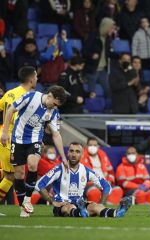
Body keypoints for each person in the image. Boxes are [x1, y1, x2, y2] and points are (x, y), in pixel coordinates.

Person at [0, 85, 68, 217]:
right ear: (49, 95)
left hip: (35, 140)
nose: (53, 107)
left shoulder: (53, 112)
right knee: (18, 174)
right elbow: (10, 110)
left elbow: (56, 134)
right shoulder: (30, 96)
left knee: (32, 164)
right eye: (53, 103)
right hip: (17, 139)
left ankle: (27, 199)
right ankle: (23, 207)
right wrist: (4, 133)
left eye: (56, 106)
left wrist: (63, 157)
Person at [35, 142, 132, 218]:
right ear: (67, 153)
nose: (74, 154)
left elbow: (106, 186)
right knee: (68, 207)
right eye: (71, 151)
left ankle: (117, 213)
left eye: (77, 152)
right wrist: (52, 201)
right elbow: (39, 185)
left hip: (80, 203)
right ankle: (81, 212)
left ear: (82, 154)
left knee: (95, 206)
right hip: (62, 205)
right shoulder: (59, 169)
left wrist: (101, 203)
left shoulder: (86, 171)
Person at [0, 66, 37, 204]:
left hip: (4, 134)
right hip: (10, 137)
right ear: (32, 80)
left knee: (9, 175)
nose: (37, 79)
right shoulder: (25, 96)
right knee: (10, 176)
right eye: (36, 77)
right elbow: (18, 121)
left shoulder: (9, 93)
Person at [81, 137, 123, 205]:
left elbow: (110, 171)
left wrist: (110, 180)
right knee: (94, 192)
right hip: (90, 183)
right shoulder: (82, 156)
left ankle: (108, 208)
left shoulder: (103, 155)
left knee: (118, 190)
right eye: (90, 145)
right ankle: (94, 209)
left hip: (104, 182)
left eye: (95, 145)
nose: (93, 147)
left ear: (98, 146)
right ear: (86, 146)